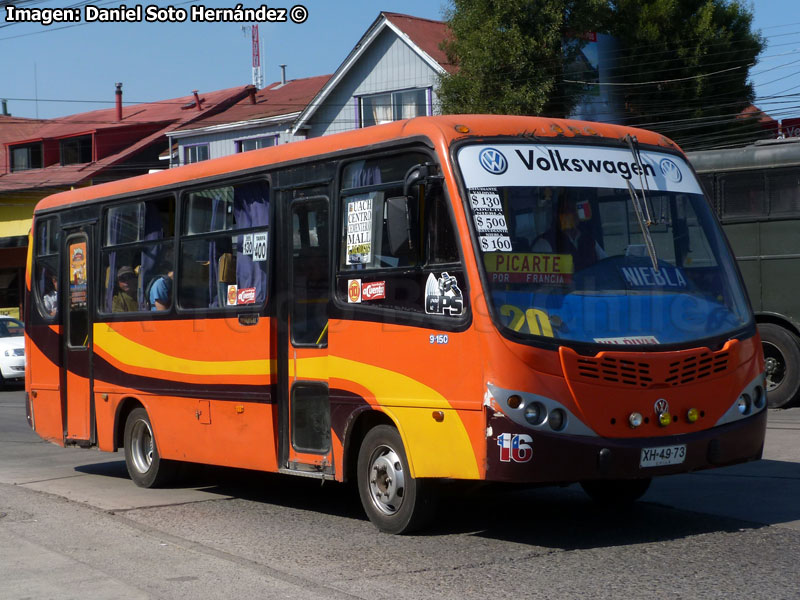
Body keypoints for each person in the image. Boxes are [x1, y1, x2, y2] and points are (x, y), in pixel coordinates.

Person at [532, 192, 606, 270]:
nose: (574, 213)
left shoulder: (589, 240)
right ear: (556, 214)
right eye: (569, 210)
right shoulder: (544, 244)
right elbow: (544, 279)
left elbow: (606, 265)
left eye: (576, 209)